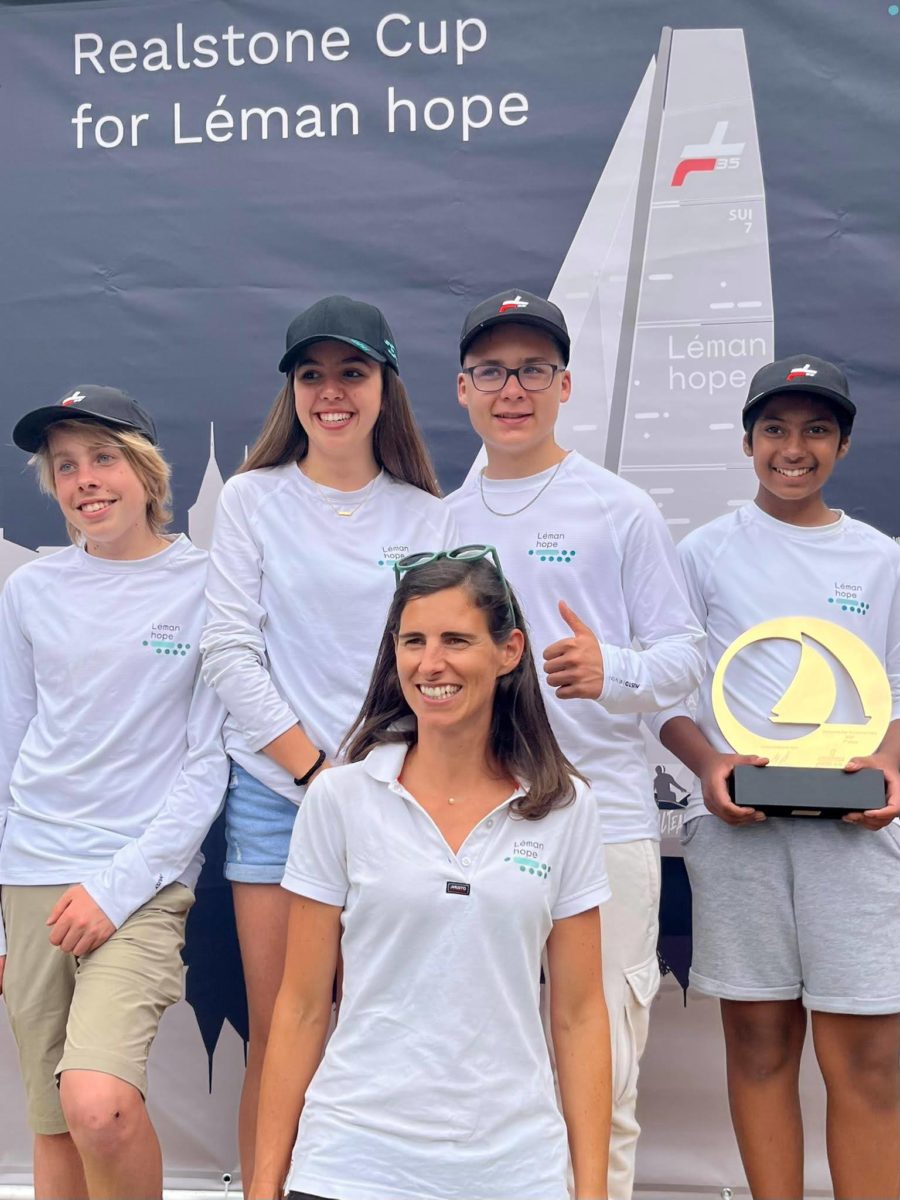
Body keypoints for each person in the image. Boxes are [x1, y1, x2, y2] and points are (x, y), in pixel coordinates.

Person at [249, 547, 612, 1200]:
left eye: (456, 640)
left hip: (514, 1173)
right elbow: (301, 1008)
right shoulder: (340, 799)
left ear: (509, 651)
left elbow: (581, 1016)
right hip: (350, 1166)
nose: (430, 663)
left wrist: (592, 1192)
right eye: (413, 641)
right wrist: (264, 1186)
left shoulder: (566, 807)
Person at [446, 289, 705, 1198]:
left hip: (603, 820)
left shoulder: (619, 508)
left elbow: (686, 657)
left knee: (604, 1077)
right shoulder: (441, 521)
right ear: (462, 389)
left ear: (564, 385)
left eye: (532, 370)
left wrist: (612, 669)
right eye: (491, 372)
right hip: (472, 824)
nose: (511, 390)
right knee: (484, 1068)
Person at [200, 295, 458, 1184]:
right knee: (281, 1033)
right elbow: (229, 650)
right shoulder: (251, 498)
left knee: (382, 1034)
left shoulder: (428, 517)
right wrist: (313, 772)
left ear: (386, 385)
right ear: (293, 392)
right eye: (312, 375)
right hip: (279, 801)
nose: (332, 392)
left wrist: (376, 780)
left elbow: (436, 667)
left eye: (352, 372)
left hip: (398, 801)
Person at [653, 355, 900, 1199]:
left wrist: (887, 765)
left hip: (856, 836)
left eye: (816, 430)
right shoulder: (702, 554)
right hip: (741, 834)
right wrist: (710, 765)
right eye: (775, 430)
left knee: (867, 1059)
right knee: (759, 1045)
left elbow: (896, 690)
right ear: (748, 442)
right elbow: (667, 693)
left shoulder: (881, 559)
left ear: (844, 444)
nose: (794, 449)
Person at [0, 386, 227, 1200]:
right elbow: (9, 744)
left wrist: (115, 887)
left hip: (139, 882)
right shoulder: (30, 590)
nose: (85, 480)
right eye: (65, 466)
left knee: (98, 1106)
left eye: (103, 458)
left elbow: (208, 764)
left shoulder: (209, 585)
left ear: (147, 472)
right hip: (31, 877)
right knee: (54, 1119)